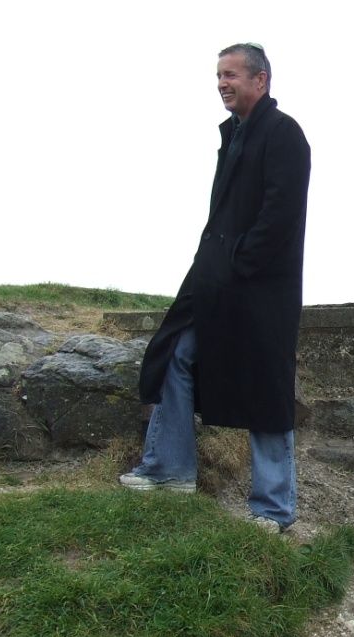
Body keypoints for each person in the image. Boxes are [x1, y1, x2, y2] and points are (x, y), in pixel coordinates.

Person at [121, 43, 311, 534]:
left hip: (261, 289)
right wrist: (214, 268)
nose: (222, 83)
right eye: (219, 76)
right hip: (216, 280)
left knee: (267, 390)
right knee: (176, 352)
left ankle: (272, 510)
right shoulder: (234, 134)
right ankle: (169, 469)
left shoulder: (284, 134)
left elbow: (280, 217)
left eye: (231, 75)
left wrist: (238, 263)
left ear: (260, 80)